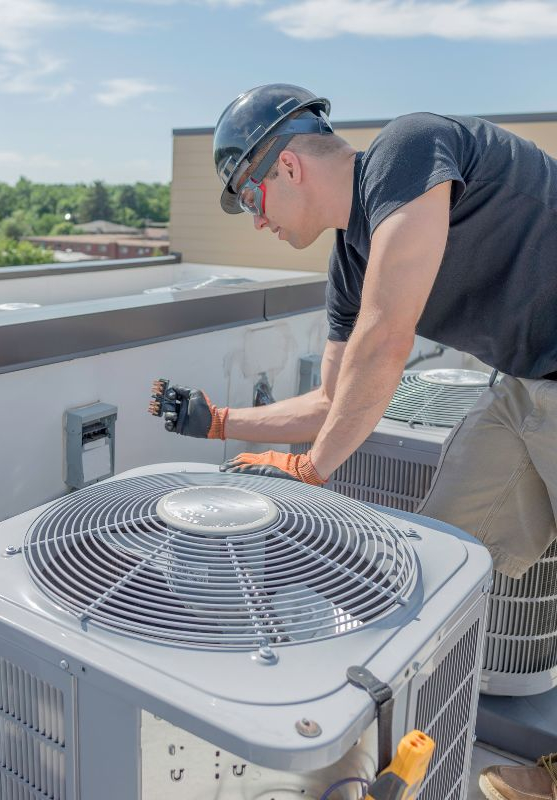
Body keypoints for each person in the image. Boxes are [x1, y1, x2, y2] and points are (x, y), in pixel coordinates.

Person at [162, 84, 557, 800]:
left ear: (287, 167)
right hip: (525, 384)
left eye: (249, 198)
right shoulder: (350, 259)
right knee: (440, 557)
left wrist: (310, 469)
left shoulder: (407, 150)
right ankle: (387, 763)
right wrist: (218, 422)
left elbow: (385, 341)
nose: (255, 223)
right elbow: (333, 401)